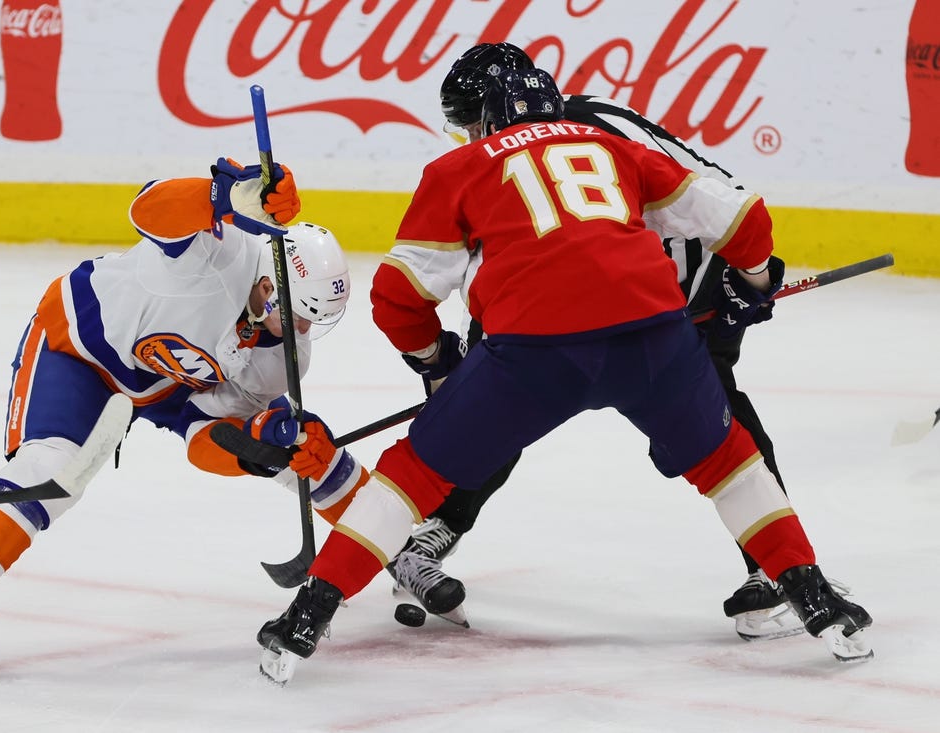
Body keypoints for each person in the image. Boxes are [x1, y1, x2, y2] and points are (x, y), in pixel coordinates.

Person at [255, 67, 873, 685]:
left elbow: (396, 296)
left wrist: (438, 364)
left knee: (414, 471)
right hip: (653, 331)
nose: (466, 134)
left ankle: (309, 614)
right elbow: (741, 217)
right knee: (729, 462)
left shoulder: (460, 169)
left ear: (490, 117)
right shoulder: (611, 142)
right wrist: (755, 280)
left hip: (534, 351)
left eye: (469, 123)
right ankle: (815, 599)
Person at [0, 158, 370, 681]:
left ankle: (393, 543)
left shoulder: (282, 354)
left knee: (298, 450)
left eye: (313, 321)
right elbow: (147, 208)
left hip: (169, 383)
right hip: (82, 350)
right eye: (298, 313)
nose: (301, 330)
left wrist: (254, 446)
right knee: (52, 475)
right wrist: (220, 195)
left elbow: (204, 437)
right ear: (271, 285)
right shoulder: (218, 252)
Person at [387, 41, 808, 641]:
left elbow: (716, 198)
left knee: (715, 412)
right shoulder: (507, 152)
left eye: (470, 120)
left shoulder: (598, 130)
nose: (468, 135)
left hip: (688, 277)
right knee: (497, 393)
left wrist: (750, 279)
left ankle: (776, 571)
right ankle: (439, 528)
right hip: (605, 284)